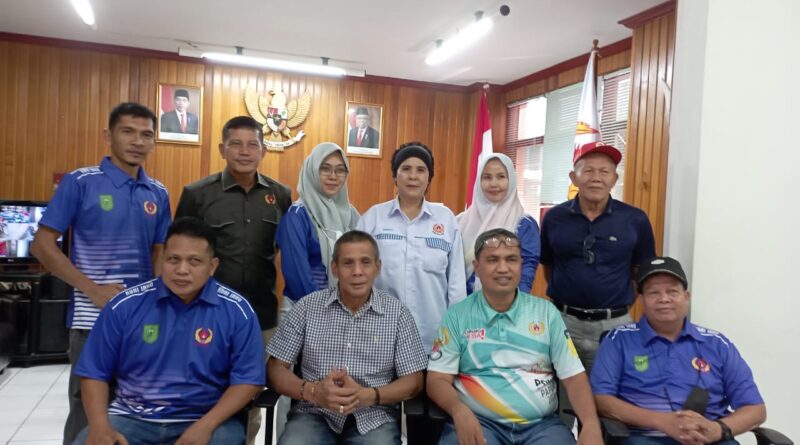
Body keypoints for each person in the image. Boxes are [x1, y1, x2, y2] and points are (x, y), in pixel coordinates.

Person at [30, 102, 171, 445]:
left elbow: (159, 252)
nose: (137, 141)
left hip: (141, 323)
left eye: (146, 135)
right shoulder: (80, 182)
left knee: (135, 413)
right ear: (109, 136)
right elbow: (42, 246)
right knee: (88, 415)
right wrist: (92, 289)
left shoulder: (158, 192)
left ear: (154, 141)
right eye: (128, 132)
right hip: (91, 320)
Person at [72, 217, 265, 445]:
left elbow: (249, 380)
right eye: (174, 259)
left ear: (212, 266)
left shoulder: (237, 311)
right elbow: (93, 372)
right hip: (131, 416)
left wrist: (205, 426)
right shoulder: (125, 305)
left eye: (194, 261)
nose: (182, 270)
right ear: (162, 258)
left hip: (207, 417)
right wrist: (100, 427)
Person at [175, 115, 292, 443]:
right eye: (236, 144)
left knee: (252, 392)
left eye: (252, 144)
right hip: (206, 315)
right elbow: (179, 252)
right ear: (222, 149)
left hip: (261, 316)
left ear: (263, 150)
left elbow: (284, 249)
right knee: (204, 389)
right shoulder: (197, 194)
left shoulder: (280, 195)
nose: (244, 151)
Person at [426, 228, 603, 445]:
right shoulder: (457, 316)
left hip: (541, 426)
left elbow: (574, 377)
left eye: (511, 259)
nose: (503, 268)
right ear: (477, 267)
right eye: (492, 260)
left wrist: (591, 424)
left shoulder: (546, 313)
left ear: (521, 265)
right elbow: (437, 380)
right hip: (480, 423)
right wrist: (458, 410)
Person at [267, 230, 428, 444]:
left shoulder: (397, 314)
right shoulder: (307, 307)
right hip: (314, 412)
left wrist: (369, 395)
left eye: (365, 262)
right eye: (348, 263)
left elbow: (414, 381)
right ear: (334, 268)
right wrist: (313, 392)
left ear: (377, 267)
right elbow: (275, 368)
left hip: (374, 415)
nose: (357, 272)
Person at [591, 256, 767, 445]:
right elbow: (601, 399)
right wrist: (662, 422)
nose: (664, 299)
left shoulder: (717, 344)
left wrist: (717, 429)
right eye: (654, 293)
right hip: (645, 437)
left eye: (672, 291)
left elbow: (755, 409)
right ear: (641, 300)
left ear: (686, 297)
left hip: (709, 438)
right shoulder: (619, 340)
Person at [540, 141, 656, 372]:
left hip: (615, 325)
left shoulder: (635, 219)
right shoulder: (554, 218)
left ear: (614, 179)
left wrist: (614, 306)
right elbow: (549, 267)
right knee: (562, 388)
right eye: (588, 171)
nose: (596, 178)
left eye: (604, 172)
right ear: (573, 178)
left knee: (612, 387)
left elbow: (641, 273)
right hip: (562, 322)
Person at [357, 141, 466, 352]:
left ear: (429, 178)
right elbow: (357, 275)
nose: (413, 176)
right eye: (406, 169)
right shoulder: (373, 218)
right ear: (395, 176)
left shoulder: (446, 220)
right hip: (379, 335)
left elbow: (456, 284)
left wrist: (455, 332)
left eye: (421, 170)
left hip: (433, 338)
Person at [276, 142, 360, 315]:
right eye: (325, 168)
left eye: (340, 170)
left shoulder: (351, 214)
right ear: (312, 170)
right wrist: (326, 311)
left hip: (344, 310)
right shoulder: (297, 215)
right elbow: (297, 276)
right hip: (304, 311)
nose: (333, 176)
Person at [457, 152, 540, 294]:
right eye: (487, 177)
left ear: (511, 180)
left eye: (501, 177)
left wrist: (512, 305)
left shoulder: (524, 224)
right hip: (460, 302)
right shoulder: (459, 222)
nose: (494, 184)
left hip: (505, 303)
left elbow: (526, 272)